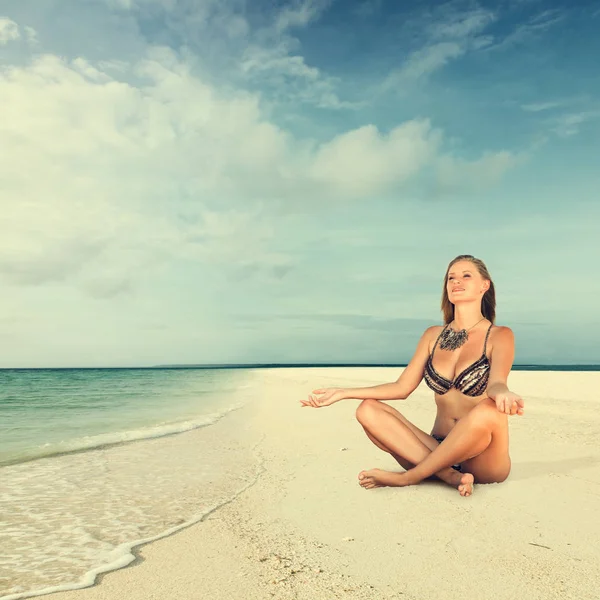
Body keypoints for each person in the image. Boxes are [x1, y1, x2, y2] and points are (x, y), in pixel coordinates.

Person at [300, 254, 524, 497]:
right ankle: (450, 476)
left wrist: (503, 393)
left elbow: (497, 383)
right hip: (433, 448)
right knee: (367, 409)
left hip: (483, 458)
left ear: (484, 285)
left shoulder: (500, 335)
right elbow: (401, 387)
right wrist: (343, 393)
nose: (456, 282)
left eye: (466, 276)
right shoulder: (432, 336)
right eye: (451, 278)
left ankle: (409, 478)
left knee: (489, 409)